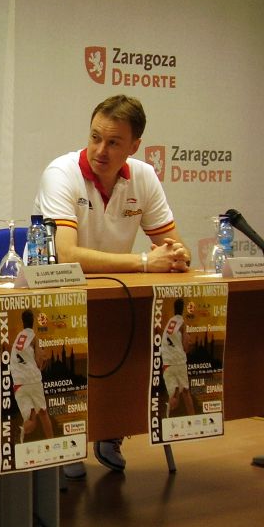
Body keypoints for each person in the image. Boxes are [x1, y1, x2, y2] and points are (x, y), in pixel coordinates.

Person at [34, 93, 191, 479]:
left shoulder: (143, 176)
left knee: (142, 332)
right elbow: (67, 254)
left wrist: (175, 254)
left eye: (114, 142)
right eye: (95, 138)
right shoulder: (62, 172)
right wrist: (143, 261)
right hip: (58, 300)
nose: (101, 150)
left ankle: (110, 428)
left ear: (135, 146)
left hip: (115, 298)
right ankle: (68, 435)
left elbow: (170, 244)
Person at [10, 309, 54, 442]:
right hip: (32, 379)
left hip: (18, 382)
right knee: (43, 413)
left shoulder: (18, 338)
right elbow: (40, 360)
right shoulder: (34, 337)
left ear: (22, 322)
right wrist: (44, 359)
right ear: (33, 322)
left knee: (30, 419)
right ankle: (52, 444)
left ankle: (21, 434)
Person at [160, 298, 195, 417]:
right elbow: (185, 346)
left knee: (174, 395)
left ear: (174, 309)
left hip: (167, 363)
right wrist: (189, 344)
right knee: (185, 392)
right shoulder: (182, 323)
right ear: (183, 309)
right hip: (178, 362)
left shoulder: (169, 323)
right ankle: (193, 419)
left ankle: (167, 417)